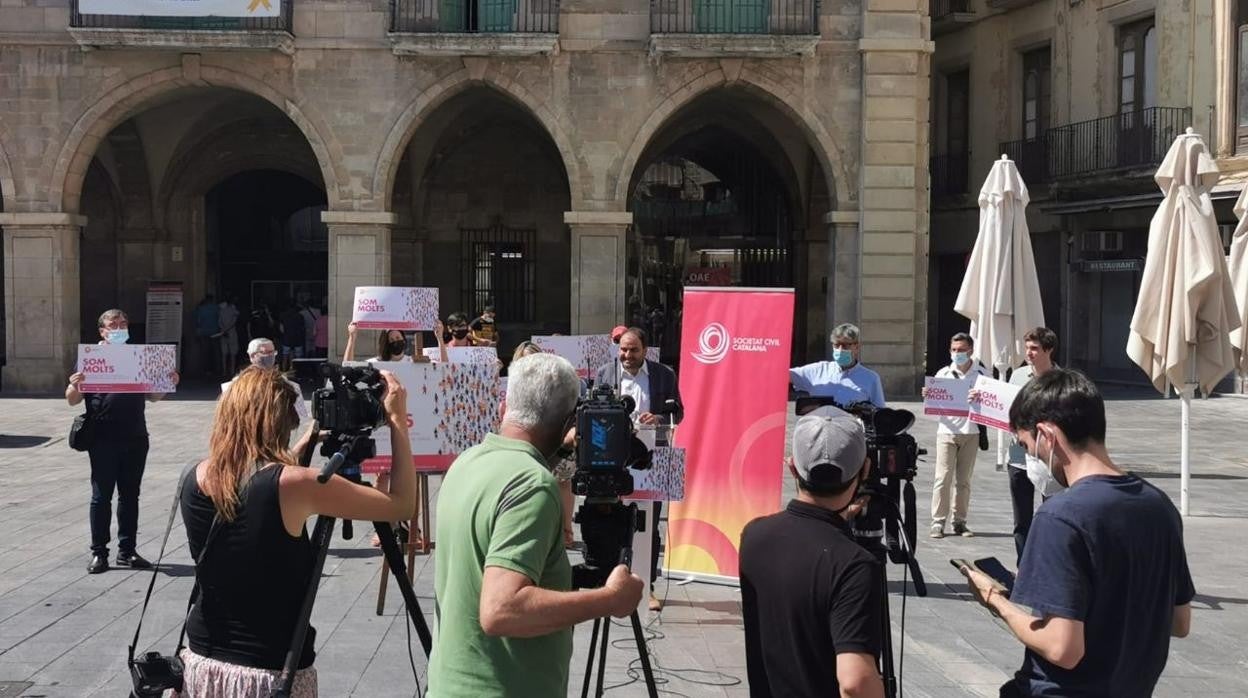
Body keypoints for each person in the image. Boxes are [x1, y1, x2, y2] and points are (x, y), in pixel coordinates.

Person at [177, 367, 414, 697]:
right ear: (277, 422)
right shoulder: (296, 485)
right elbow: (401, 506)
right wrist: (398, 421)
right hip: (267, 671)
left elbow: (261, 480)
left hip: (201, 660)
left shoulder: (194, 475)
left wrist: (312, 436)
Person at [961, 369, 1194, 698]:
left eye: (1030, 447)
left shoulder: (1060, 516)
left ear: (1047, 435)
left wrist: (995, 600)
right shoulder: (1161, 507)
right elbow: (1179, 622)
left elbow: (1063, 649)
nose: (1034, 458)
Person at [428, 353, 644, 697]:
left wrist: (559, 451)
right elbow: (501, 610)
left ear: (506, 405)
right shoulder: (533, 486)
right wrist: (610, 599)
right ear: (569, 423)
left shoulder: (468, 462)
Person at [740, 411, 884, 698]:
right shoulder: (854, 564)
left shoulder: (754, 535)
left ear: (792, 468)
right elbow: (855, 682)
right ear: (865, 469)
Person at [66, 309, 179, 574]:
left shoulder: (138, 356)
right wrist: (75, 384)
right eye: (113, 324)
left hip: (136, 436)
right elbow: (72, 399)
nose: (119, 327)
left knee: (130, 496)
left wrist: (167, 382)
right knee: (101, 496)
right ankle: (99, 553)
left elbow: (153, 396)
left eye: (123, 323)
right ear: (102, 331)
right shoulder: (90, 358)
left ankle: (127, 551)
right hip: (102, 438)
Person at [593, 327, 684, 611]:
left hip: (653, 455)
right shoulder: (606, 373)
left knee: (649, 522)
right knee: (613, 519)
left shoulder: (663, 375)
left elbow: (677, 411)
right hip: (614, 456)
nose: (627, 355)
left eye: (633, 350)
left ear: (645, 350)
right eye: (622, 349)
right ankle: (613, 581)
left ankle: (648, 585)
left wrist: (657, 418)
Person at [508, 341, 576, 548]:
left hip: (556, 440)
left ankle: (566, 529)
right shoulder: (512, 386)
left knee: (563, 481)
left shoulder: (555, 384)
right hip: (525, 444)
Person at [925, 332, 988, 539]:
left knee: (964, 480)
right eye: (954, 350)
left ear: (970, 350)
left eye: (961, 350)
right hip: (947, 431)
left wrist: (981, 397)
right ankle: (938, 521)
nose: (957, 353)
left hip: (971, 431)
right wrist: (928, 396)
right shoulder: (943, 373)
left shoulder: (982, 374)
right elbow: (934, 405)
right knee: (942, 477)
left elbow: (992, 403)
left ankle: (959, 521)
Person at [1005, 327, 1060, 561]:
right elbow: (1005, 407)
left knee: (1053, 516)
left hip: (1050, 459)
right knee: (1022, 520)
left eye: (1034, 348)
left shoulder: (1062, 380)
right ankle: (1024, 566)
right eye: (1027, 347)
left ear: (1049, 350)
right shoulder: (1017, 376)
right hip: (1018, 457)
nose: (1029, 353)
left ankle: (1052, 564)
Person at [790, 323, 886, 409]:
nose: (840, 350)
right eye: (837, 345)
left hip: (851, 428)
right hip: (820, 426)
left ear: (856, 347)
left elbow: (880, 414)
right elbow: (783, 375)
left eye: (845, 345)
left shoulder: (871, 378)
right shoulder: (818, 370)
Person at [222, 338, 309, 422]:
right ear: (252, 356)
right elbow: (228, 417)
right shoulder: (233, 386)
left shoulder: (289, 386)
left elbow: (300, 416)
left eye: (272, 352)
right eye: (265, 353)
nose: (270, 356)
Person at [194, 295, 219, 377]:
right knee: (215, 352)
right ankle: (216, 370)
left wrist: (197, 333)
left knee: (205, 352)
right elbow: (220, 319)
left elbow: (198, 322)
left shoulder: (201, 309)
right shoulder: (216, 308)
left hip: (204, 333)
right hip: (215, 333)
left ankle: (206, 371)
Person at [217, 296, 240, 380]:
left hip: (223, 333)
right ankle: (232, 370)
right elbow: (234, 321)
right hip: (232, 333)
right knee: (232, 353)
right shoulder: (233, 310)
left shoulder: (221, 310)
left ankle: (224, 370)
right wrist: (228, 329)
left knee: (224, 353)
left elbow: (219, 322)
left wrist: (223, 329)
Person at [279, 301, 305, 371]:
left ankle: (284, 373)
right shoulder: (300, 316)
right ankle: (297, 372)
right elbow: (302, 328)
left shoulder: (283, 315)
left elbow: (281, 329)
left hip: (287, 339)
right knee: (298, 358)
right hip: (298, 340)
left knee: (285, 357)